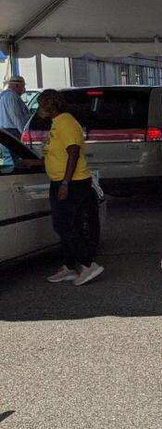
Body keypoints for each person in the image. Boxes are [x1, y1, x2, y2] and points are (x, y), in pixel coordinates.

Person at [37, 90, 104, 286]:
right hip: (61, 180)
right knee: (68, 224)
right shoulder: (57, 123)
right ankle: (68, 266)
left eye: (42, 105)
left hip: (72, 182)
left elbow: (73, 151)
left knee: (63, 224)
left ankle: (87, 264)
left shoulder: (65, 121)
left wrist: (65, 182)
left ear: (51, 105)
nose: (40, 109)